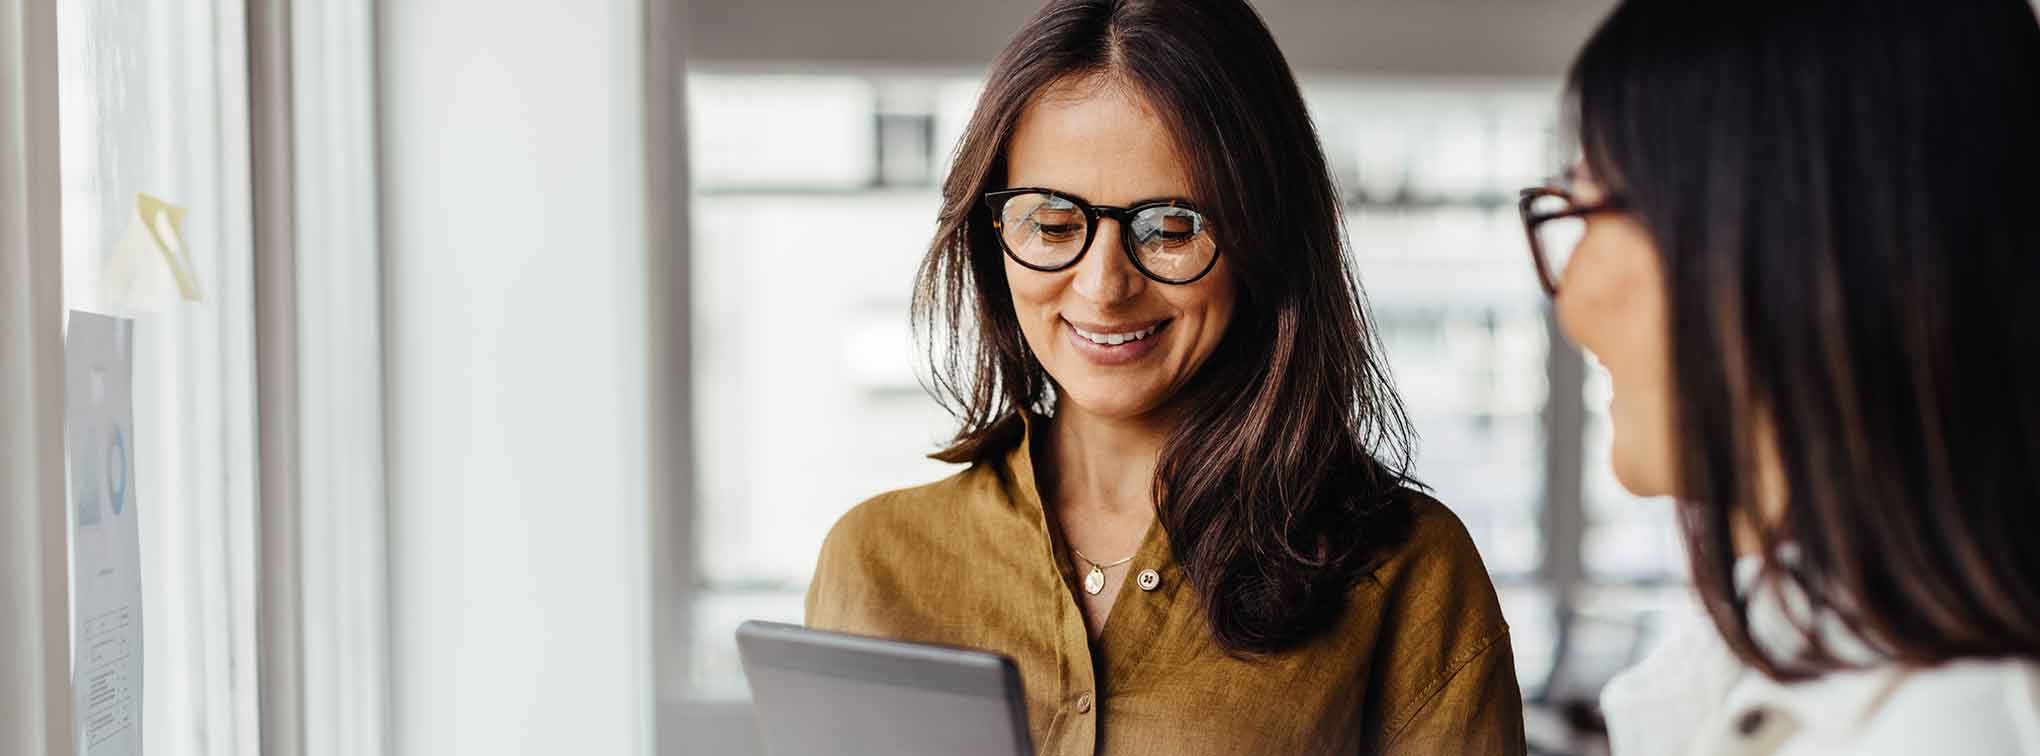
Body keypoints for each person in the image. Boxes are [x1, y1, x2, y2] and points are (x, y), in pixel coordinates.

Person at [805, 1, 1524, 753]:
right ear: (996, 240)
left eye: (1172, 228)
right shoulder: (874, 558)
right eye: (1051, 224)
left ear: (1262, 236)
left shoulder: (1407, 572)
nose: (1104, 286)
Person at [1520, 1, 2040, 753]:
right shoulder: (1764, 686)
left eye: (1593, 203)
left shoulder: (1939, 728)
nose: (1574, 299)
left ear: (1794, 246)